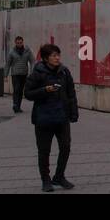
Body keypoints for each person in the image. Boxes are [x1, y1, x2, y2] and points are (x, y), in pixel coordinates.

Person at [25, 44, 78, 192]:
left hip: (62, 117)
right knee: (44, 151)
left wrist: (74, 113)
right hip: (43, 118)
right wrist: (44, 90)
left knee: (66, 147)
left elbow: (71, 94)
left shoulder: (64, 72)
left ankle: (59, 176)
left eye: (58, 55)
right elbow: (28, 93)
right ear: (46, 58)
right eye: (54, 55)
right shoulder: (38, 73)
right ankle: (46, 180)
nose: (57, 58)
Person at [6, 36, 33, 113]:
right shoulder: (12, 52)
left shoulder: (27, 51)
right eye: (18, 43)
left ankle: (18, 106)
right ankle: (15, 105)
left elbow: (32, 61)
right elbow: (8, 64)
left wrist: (32, 72)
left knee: (21, 91)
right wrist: (5, 75)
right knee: (16, 89)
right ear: (15, 43)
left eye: (20, 43)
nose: (19, 44)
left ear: (22, 42)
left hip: (24, 74)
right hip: (15, 74)